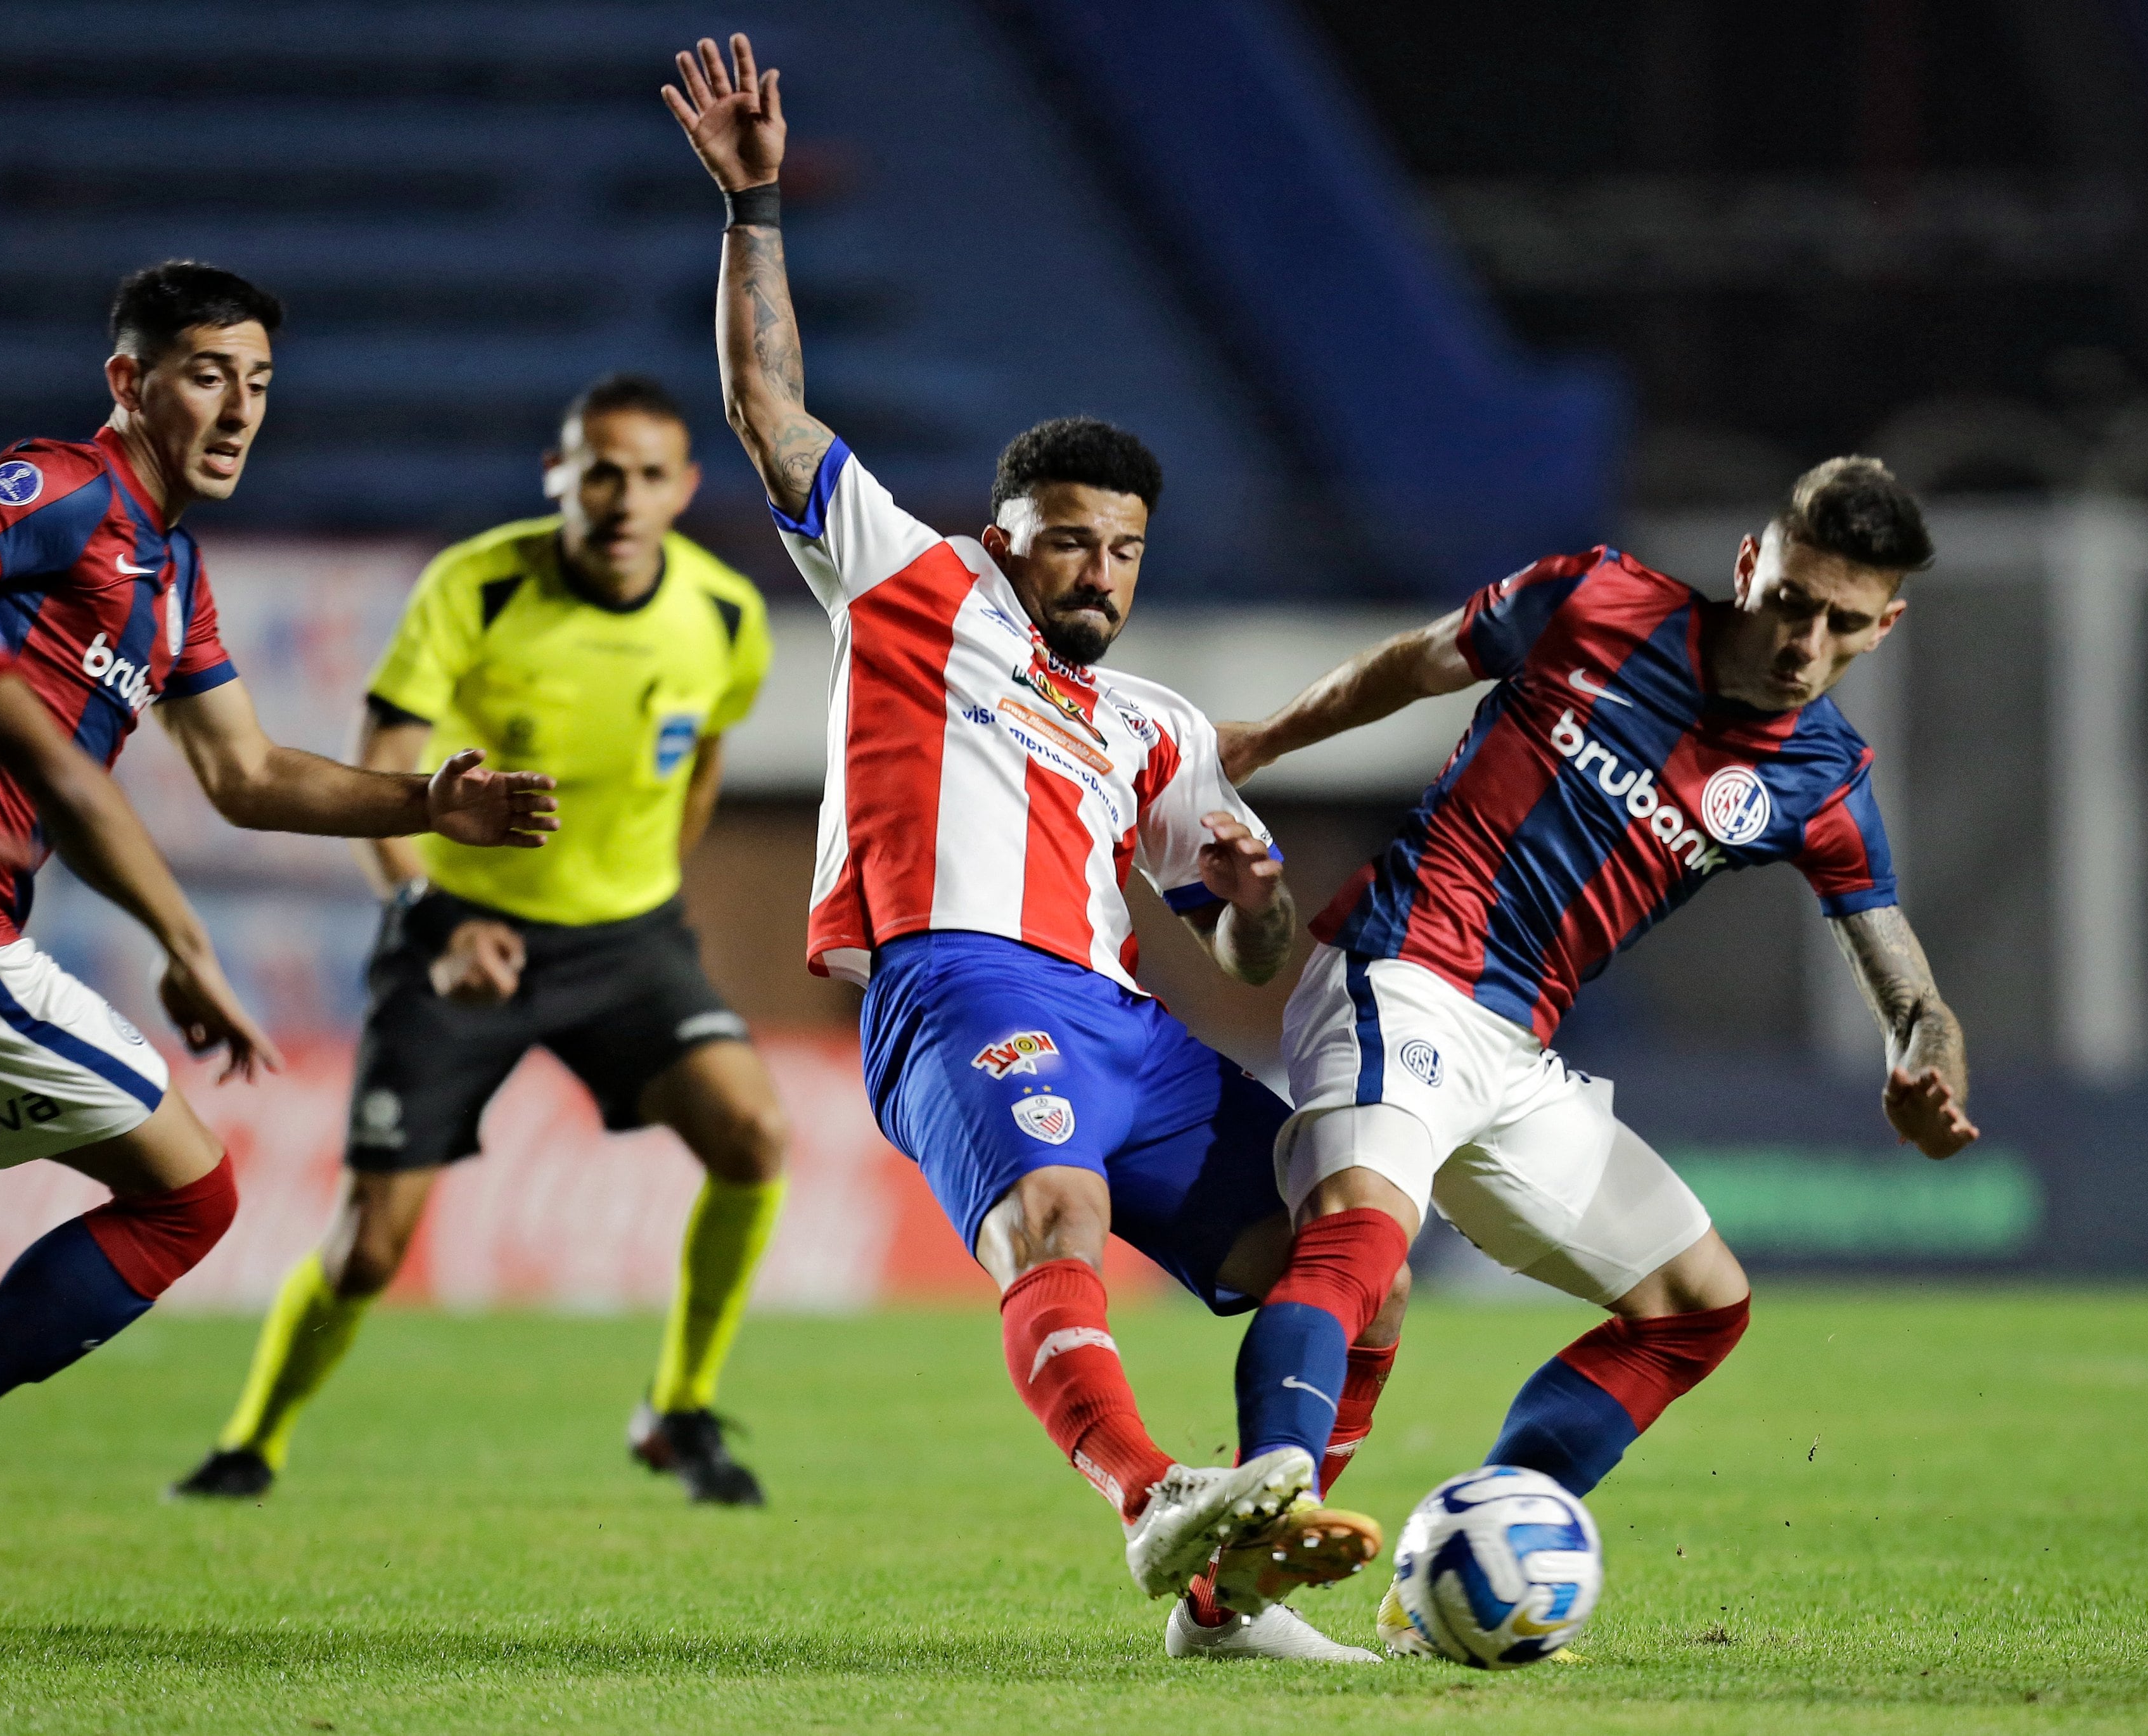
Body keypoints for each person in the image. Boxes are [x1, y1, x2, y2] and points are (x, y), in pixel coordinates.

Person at [663, 35, 1395, 1659]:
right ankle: (1151, 1498)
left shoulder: (1158, 725)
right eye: (1069, 537)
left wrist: (1261, 907)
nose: (1098, 568)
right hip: (956, 975)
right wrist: (756, 203)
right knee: (1053, 1218)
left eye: (1124, 546)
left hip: (1131, 1020)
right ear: (1007, 533)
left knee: (1349, 1250)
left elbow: (1246, 958)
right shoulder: (914, 586)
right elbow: (766, 408)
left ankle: (1240, 1580)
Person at [1213, 457, 1981, 1654]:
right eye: (1790, 601)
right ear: (1749, 567)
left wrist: (1925, 1065)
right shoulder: (1594, 601)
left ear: (1885, 628)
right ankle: (1260, 1508)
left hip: (1517, 1049)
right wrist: (1268, 737)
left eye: (1840, 623)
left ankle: (1461, 1560)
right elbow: (1413, 664)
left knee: (1696, 1309)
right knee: (1366, 1240)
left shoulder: (1824, 781)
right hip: (1403, 966)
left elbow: (1910, 987)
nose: (1803, 642)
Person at [0, 262, 553, 1481]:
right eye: (206, 377)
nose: (240, 410)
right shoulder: (62, 491)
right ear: (128, 382)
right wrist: (187, 944)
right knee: (186, 1198)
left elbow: (243, 775)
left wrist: (427, 805)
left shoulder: (173, 579)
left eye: (259, 383)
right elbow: (68, 781)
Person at [173, 376, 788, 1507]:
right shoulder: (478, 586)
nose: (622, 496)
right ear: (558, 474)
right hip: (459, 940)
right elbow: (383, 762)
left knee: (753, 1132)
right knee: (368, 1248)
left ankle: (679, 1408)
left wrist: (651, 880)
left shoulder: (725, 616)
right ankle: (250, 1443)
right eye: (598, 469)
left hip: (624, 939)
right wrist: (434, 920)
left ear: (684, 489)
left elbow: (701, 758)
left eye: (649, 475)